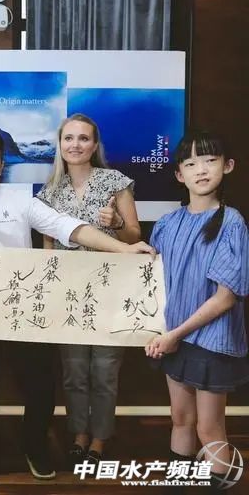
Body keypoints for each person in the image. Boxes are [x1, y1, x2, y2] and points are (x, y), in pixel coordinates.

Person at [0, 126, 154, 480]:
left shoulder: (21, 200)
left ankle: (35, 446)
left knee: (38, 382)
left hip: (23, 308)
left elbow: (70, 227)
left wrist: (123, 248)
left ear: (1, 165)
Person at [145, 131, 248, 489]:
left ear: (227, 166)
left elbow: (226, 298)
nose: (201, 170)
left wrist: (173, 335)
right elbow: (151, 282)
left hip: (210, 341)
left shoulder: (232, 222)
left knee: (209, 427)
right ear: (179, 174)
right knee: (180, 419)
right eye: (190, 163)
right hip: (174, 339)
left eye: (210, 161)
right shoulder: (167, 223)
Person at [37, 113, 142, 467]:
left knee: (105, 372)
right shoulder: (50, 191)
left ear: (95, 145)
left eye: (83, 138)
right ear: (60, 144)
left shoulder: (115, 181)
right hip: (69, 295)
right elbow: (48, 246)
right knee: (75, 372)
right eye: (69, 138)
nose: (76, 145)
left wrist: (117, 223)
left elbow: (134, 236)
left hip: (111, 292)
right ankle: (79, 434)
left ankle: (100, 438)